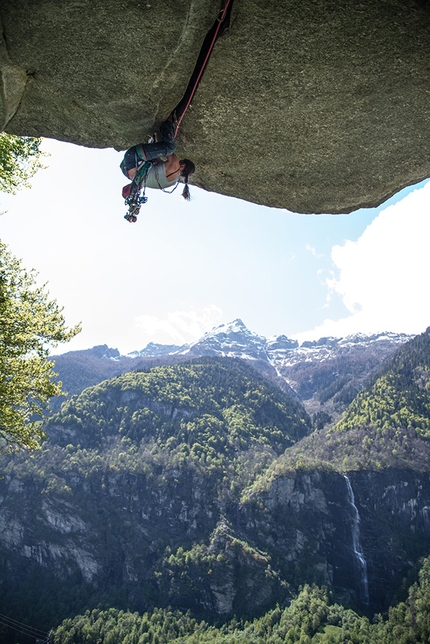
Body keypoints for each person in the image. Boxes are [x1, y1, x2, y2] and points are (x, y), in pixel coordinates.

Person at [120, 117, 195, 200]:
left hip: (132, 159)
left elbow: (164, 148)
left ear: (183, 165)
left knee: (170, 148)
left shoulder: (175, 166)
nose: (179, 161)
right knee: (153, 158)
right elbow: (157, 159)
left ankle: (167, 120)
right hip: (126, 169)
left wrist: (160, 132)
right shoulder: (171, 183)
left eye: (182, 161)